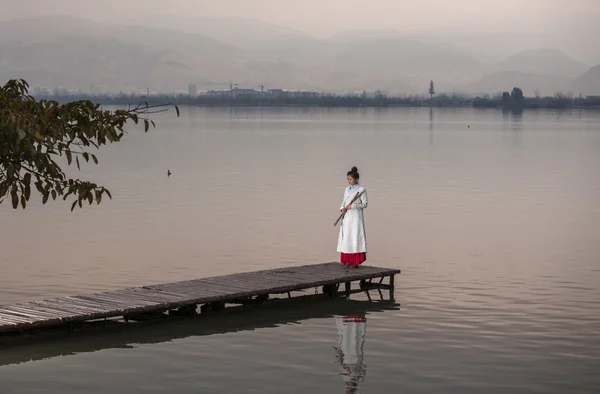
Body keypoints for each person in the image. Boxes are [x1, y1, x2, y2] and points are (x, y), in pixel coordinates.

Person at [337, 167, 368, 267]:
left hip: (355, 217)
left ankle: (355, 261)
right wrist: (342, 208)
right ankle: (347, 260)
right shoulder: (347, 189)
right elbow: (344, 201)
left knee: (354, 236)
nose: (349, 181)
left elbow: (365, 204)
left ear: (356, 179)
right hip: (347, 216)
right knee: (346, 236)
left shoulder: (362, 190)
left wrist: (353, 206)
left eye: (350, 179)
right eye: (348, 179)